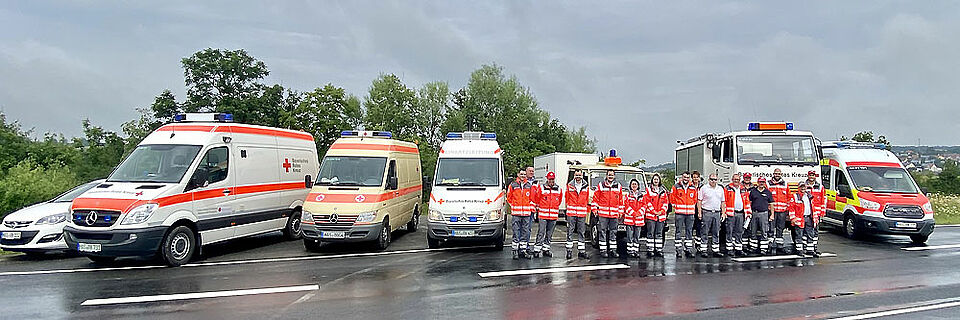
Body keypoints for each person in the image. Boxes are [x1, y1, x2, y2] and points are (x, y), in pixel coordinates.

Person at [593, 169, 624, 258]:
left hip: (614, 214)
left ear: (614, 176)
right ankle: (603, 250)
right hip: (603, 214)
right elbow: (596, 198)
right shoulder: (601, 185)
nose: (610, 176)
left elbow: (621, 200)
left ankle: (613, 250)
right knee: (602, 232)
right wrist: (595, 209)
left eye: (612, 175)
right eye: (609, 175)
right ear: (606, 176)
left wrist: (621, 211)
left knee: (613, 232)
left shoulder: (618, 186)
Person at [508, 169, 536, 259]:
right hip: (516, 213)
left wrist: (530, 208)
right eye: (521, 174)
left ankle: (523, 251)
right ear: (518, 175)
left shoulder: (529, 185)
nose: (523, 175)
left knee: (525, 232)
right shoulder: (513, 185)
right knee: (516, 232)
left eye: (524, 174)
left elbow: (532, 198)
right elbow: (509, 197)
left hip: (526, 214)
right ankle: (515, 251)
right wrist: (514, 206)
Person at [533, 172, 561, 258]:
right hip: (543, 215)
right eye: (550, 179)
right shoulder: (541, 188)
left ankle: (546, 249)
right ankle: (537, 250)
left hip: (553, 216)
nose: (551, 181)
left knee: (549, 234)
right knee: (541, 232)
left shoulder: (558, 189)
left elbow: (559, 201)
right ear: (547, 179)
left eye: (552, 179)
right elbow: (537, 198)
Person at [671, 171, 698, 258]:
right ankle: (678, 249)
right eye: (684, 177)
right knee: (678, 231)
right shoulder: (676, 186)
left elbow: (695, 199)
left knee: (689, 231)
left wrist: (691, 206)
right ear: (682, 177)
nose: (686, 179)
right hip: (679, 213)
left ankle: (688, 249)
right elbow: (672, 198)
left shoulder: (693, 187)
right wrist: (676, 206)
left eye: (687, 177)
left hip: (690, 213)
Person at [724, 172, 751, 257]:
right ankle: (729, 248)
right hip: (731, 213)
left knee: (739, 231)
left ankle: (739, 248)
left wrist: (748, 212)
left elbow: (746, 201)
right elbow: (723, 201)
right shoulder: (727, 188)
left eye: (738, 180)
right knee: (730, 231)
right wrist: (724, 213)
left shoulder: (743, 189)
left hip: (740, 213)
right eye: (735, 179)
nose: (736, 181)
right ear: (732, 180)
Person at [565, 169, 591, 259]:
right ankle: (569, 251)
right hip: (571, 212)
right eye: (576, 175)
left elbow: (587, 199)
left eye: (579, 175)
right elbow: (567, 198)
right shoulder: (569, 186)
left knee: (581, 232)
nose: (578, 177)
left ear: (582, 176)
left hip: (582, 213)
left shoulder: (586, 186)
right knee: (570, 231)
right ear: (574, 176)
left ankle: (581, 251)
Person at [698, 173, 725, 257]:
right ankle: (703, 249)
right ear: (708, 179)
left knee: (716, 232)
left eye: (715, 179)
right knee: (705, 232)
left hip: (717, 212)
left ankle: (715, 250)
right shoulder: (703, 188)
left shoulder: (720, 189)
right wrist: (699, 212)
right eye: (712, 179)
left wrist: (723, 213)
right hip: (707, 212)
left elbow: (723, 202)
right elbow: (699, 201)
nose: (713, 181)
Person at [644, 173, 670, 258]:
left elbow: (666, 203)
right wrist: (654, 211)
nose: (656, 181)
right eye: (654, 179)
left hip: (661, 216)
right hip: (651, 215)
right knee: (650, 233)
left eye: (657, 179)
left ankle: (659, 249)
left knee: (659, 233)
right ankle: (650, 250)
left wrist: (661, 211)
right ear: (652, 180)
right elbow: (647, 202)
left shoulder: (663, 191)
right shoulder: (648, 190)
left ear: (659, 181)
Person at [747, 177, 774, 255]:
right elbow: (750, 202)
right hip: (754, 213)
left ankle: (763, 248)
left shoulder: (768, 192)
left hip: (764, 213)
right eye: (760, 182)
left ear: (764, 183)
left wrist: (772, 214)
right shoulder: (753, 192)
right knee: (753, 230)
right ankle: (753, 247)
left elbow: (771, 204)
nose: (761, 183)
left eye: (763, 182)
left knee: (764, 231)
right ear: (757, 182)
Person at [767, 168, 791, 255]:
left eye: (779, 173)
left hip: (782, 211)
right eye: (776, 173)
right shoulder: (768, 184)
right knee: (770, 228)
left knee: (780, 229)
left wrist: (788, 210)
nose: (777, 175)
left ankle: (779, 246)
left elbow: (789, 198)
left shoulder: (785, 185)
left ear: (781, 174)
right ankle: (769, 245)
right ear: (773, 174)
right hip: (772, 210)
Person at [804, 170, 825, 256]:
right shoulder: (804, 186)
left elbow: (823, 199)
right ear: (808, 176)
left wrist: (822, 212)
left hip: (816, 213)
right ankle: (805, 248)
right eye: (810, 175)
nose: (811, 177)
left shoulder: (820, 187)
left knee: (815, 231)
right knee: (806, 231)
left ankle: (814, 247)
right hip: (808, 212)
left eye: (813, 175)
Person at [623, 178, 645, 258]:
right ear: (630, 186)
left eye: (635, 184)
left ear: (638, 186)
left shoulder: (642, 196)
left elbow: (644, 205)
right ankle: (630, 251)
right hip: (629, 219)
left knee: (637, 236)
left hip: (639, 220)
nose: (634, 186)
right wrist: (633, 213)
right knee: (629, 236)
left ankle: (636, 250)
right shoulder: (627, 195)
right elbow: (626, 205)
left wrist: (639, 213)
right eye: (632, 184)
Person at [691, 171, 704, 255]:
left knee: (699, 228)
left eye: (697, 177)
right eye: (694, 177)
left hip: (699, 209)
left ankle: (698, 245)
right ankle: (688, 246)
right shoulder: (690, 186)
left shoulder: (703, 187)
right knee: (690, 228)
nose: (695, 179)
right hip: (691, 209)